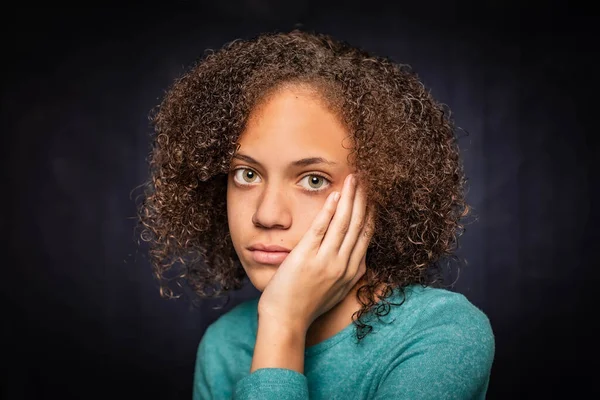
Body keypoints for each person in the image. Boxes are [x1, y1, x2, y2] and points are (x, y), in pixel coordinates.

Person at [137, 29, 495, 399]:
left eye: (313, 179)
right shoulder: (225, 344)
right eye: (247, 174)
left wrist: (282, 325)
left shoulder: (442, 331)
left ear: (384, 190)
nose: (267, 214)